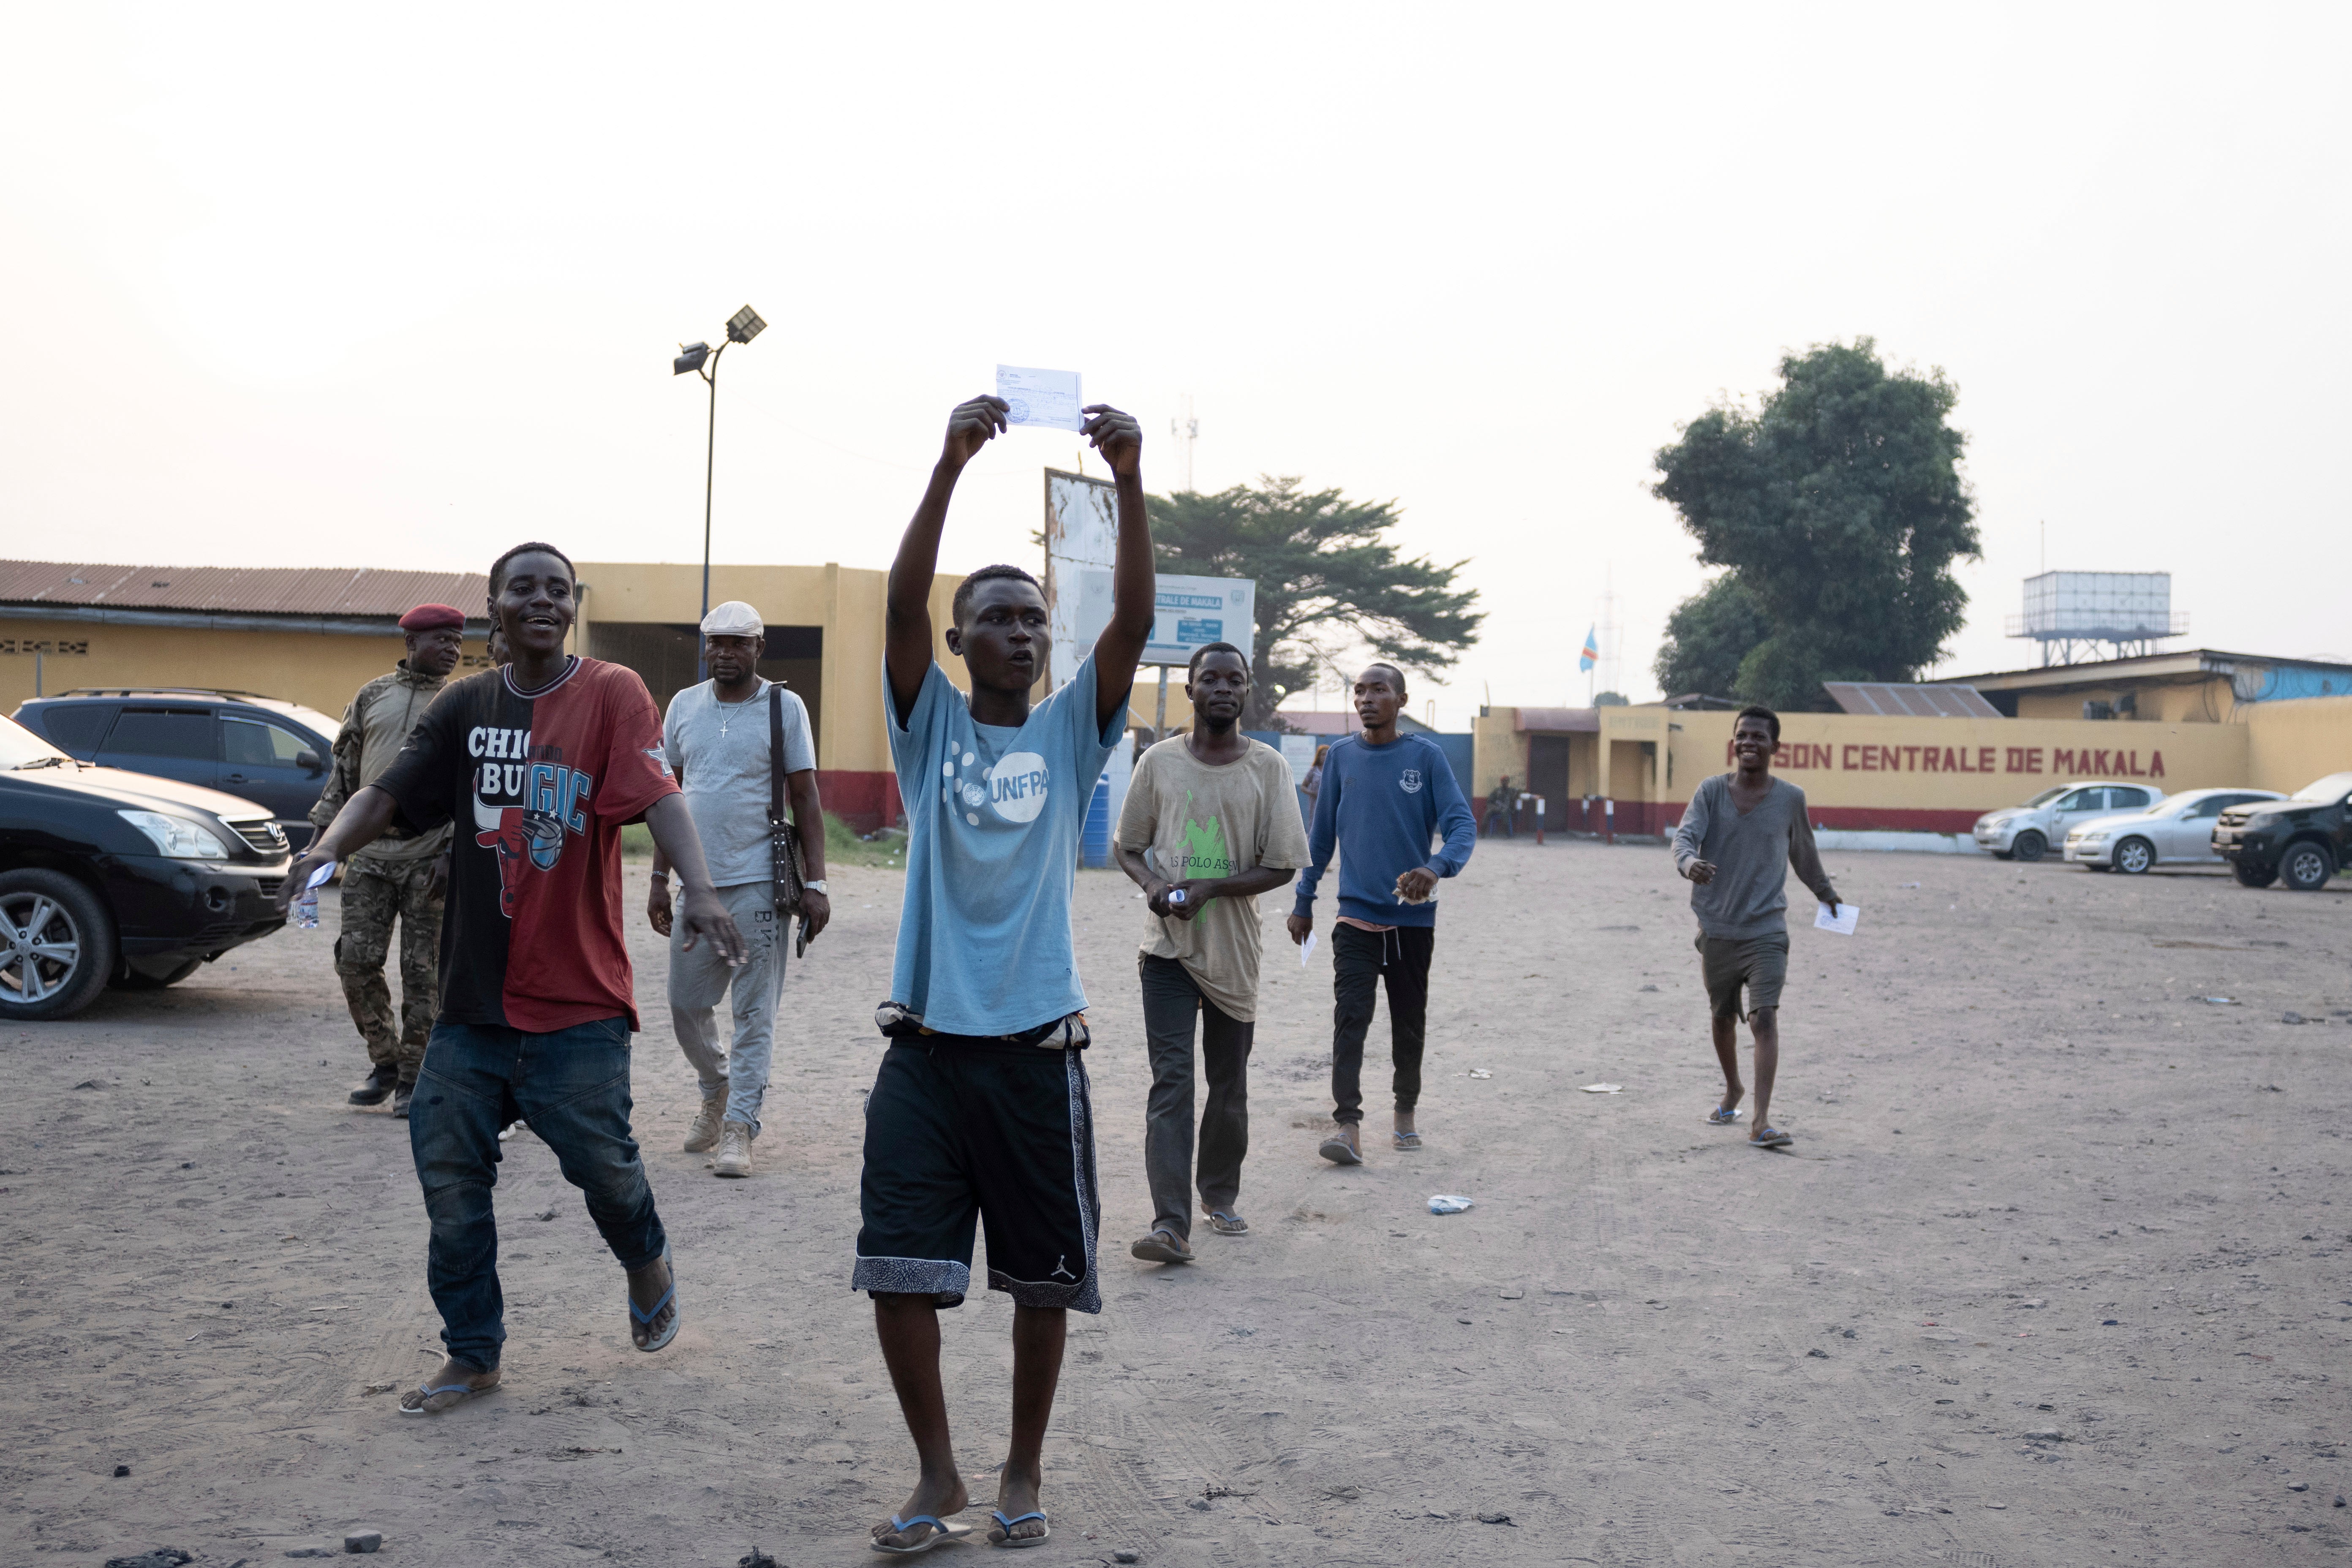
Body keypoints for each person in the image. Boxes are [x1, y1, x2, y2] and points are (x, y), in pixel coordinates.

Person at [280, 542, 746, 1415]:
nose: (542, 598)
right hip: (471, 1007)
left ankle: (645, 1255)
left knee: (607, 1173)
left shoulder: (611, 693)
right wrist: (325, 849)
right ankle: (473, 1351)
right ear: (493, 605)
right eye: (523, 586)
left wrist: (703, 892)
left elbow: (659, 796)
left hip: (576, 1005)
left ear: (572, 606)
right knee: (451, 1183)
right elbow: (386, 793)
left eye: (557, 588)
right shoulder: (463, 705)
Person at [857, 395, 1153, 1553]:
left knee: (1041, 1282)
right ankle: (938, 1476)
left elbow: (1128, 618)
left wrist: (1127, 479)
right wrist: (947, 463)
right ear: (957, 641)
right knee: (899, 1269)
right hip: (924, 1052)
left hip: (1037, 1054)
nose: (1022, 634)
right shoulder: (927, 727)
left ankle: (1022, 1470)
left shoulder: (1072, 733)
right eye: (996, 618)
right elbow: (896, 601)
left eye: (1033, 619)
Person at [1113, 642, 1308, 1264]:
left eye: (1235, 680)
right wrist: (1152, 887)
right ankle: (1170, 1224)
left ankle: (1218, 1193)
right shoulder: (1160, 763)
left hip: (1234, 952)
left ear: (1246, 691)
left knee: (1228, 1085)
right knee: (1172, 1083)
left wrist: (1212, 888)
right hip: (1167, 951)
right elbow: (1129, 845)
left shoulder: (1268, 768)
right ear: (1191, 690)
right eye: (1210, 679)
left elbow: (1281, 865)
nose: (1222, 688)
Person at [647, 599, 831, 1179]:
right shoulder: (683, 706)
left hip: (760, 882)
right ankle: (716, 1089)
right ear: (706, 647)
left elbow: (805, 796)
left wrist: (818, 883)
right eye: (716, 642)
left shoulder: (784, 707)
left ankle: (740, 1128)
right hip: (695, 886)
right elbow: (664, 796)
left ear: (759, 648)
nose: (725, 653)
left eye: (737, 642)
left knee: (754, 1013)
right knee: (685, 1004)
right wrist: (658, 878)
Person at [1286, 664, 1476, 1163]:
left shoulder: (1427, 758)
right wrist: (1304, 900)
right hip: (1354, 918)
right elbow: (1321, 837)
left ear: (1402, 699)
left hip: (1412, 920)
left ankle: (1405, 1111)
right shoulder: (1342, 758)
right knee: (1351, 1017)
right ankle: (1347, 1125)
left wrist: (1435, 869)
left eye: (1379, 690)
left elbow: (1462, 827)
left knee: (1409, 1020)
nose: (1367, 699)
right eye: (1360, 691)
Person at [313, 603, 466, 1118]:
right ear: (411, 643)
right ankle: (384, 1061)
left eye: (457, 640)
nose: (452, 648)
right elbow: (344, 772)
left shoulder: (462, 700)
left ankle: (413, 1078)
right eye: (441, 639)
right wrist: (320, 846)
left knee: (423, 974)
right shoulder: (372, 695)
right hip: (370, 856)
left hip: (430, 856)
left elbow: (474, 787)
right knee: (355, 961)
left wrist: (453, 850)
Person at [1670, 703, 1840, 1150]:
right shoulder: (1710, 791)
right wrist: (1689, 865)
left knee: (1764, 1017)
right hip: (1719, 928)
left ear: (1775, 747)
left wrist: (1826, 893)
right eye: (1742, 735)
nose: (1748, 742)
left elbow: (1803, 854)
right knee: (1722, 1017)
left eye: (1758, 737)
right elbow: (1684, 838)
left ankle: (1761, 1121)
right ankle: (1734, 1090)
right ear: (1734, 741)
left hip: (1767, 930)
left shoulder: (1790, 799)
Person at [1482, 774, 1516, 838]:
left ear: (1508, 782)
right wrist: (1492, 807)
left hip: (1506, 808)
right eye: (1503, 781)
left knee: (1505, 813)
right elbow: (1490, 801)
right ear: (1501, 782)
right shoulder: (1497, 791)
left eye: (1506, 781)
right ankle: (1482, 833)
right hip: (1496, 807)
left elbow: (1518, 795)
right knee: (1488, 813)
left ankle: (1508, 834)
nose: (1505, 783)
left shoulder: (1511, 791)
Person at [1302, 743, 1329, 819]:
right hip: (1315, 805)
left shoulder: (1332, 770)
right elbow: (1303, 787)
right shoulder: (1314, 770)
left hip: (1329, 804)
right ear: (1319, 756)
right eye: (1323, 755)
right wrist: (1312, 793)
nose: (1325, 757)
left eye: (1327, 755)